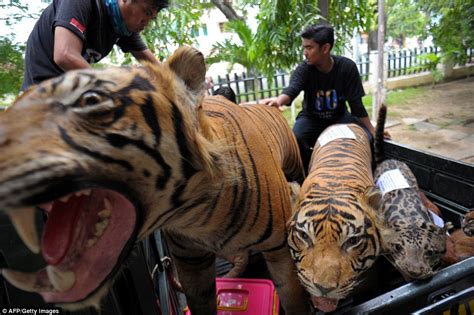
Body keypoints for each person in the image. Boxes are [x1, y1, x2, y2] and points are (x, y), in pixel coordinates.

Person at [265, 24, 389, 172]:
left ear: (325, 48)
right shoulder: (304, 69)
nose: (305, 53)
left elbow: (357, 106)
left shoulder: (347, 67)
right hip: (311, 119)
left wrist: (372, 131)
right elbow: (293, 89)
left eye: (309, 48)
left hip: (340, 118)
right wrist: (278, 101)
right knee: (296, 138)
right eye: (304, 48)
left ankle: (369, 178)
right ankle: (306, 175)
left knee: (366, 138)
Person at [21, 0, 169, 91]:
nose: (146, 23)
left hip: (71, 93)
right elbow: (64, 55)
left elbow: (158, 69)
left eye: (151, 18)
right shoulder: (82, 3)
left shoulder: (123, 27)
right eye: (146, 12)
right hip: (40, 93)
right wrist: (115, 86)